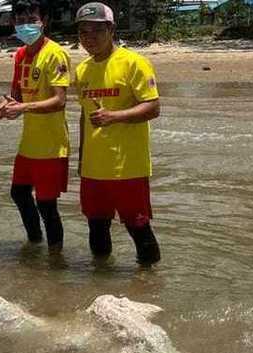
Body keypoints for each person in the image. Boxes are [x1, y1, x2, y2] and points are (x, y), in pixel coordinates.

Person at [75, 2, 161, 265]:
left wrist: (114, 117)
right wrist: (80, 159)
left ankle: (149, 284)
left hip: (128, 167)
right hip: (93, 168)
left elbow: (153, 107)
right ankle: (101, 282)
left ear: (111, 29)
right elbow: (84, 117)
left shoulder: (134, 63)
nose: (89, 38)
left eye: (96, 31)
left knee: (138, 228)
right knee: (96, 228)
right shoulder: (82, 70)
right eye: (83, 33)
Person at [0, 0, 71, 254]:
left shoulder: (55, 54)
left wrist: (22, 109)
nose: (25, 25)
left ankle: (56, 260)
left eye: (31, 19)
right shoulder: (19, 55)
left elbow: (59, 101)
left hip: (51, 146)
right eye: (20, 21)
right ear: (13, 24)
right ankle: (34, 243)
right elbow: (15, 99)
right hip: (28, 144)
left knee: (47, 205)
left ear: (44, 21)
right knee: (18, 193)